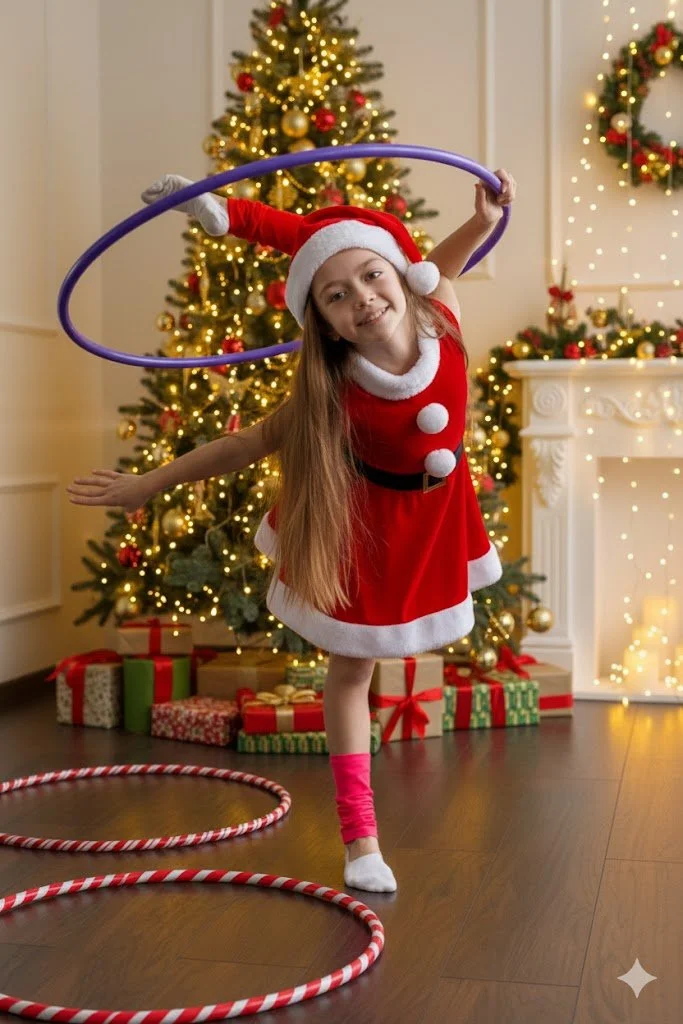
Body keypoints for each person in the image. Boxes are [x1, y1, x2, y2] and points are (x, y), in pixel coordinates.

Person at [67, 167, 516, 893]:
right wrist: (147, 484)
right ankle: (360, 838)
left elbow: (443, 260)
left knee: (385, 657)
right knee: (351, 673)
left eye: (372, 275)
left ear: (403, 275)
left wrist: (484, 219)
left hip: (438, 517)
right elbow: (243, 444)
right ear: (325, 324)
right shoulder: (332, 390)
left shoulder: (442, 310)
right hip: (369, 529)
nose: (361, 297)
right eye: (335, 295)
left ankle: (363, 833)